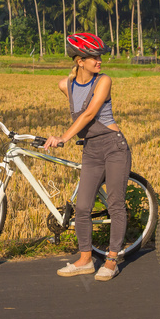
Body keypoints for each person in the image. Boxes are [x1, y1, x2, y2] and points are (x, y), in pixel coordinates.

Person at [43, 32, 131, 282]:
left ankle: (112, 259)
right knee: (82, 207)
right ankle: (84, 260)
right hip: (91, 149)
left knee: (115, 205)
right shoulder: (65, 85)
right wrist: (71, 136)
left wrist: (63, 137)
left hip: (114, 147)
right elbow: (79, 109)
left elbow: (90, 113)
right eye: (94, 57)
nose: (99, 61)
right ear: (79, 61)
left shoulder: (103, 80)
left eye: (100, 56)